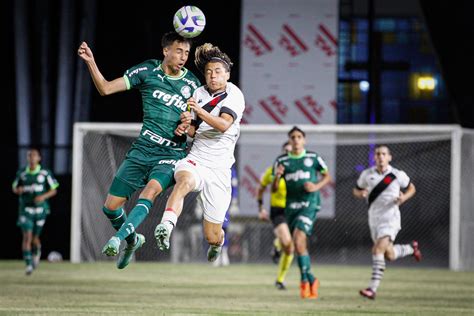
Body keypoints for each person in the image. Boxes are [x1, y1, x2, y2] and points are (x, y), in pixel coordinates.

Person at [77, 31, 201, 269]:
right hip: (142, 149)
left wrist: (188, 124)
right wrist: (91, 62)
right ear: (166, 51)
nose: (183, 56)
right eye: (178, 51)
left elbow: (196, 128)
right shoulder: (147, 71)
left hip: (170, 154)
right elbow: (105, 89)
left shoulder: (192, 84)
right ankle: (133, 241)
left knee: (151, 192)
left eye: (186, 52)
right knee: (110, 207)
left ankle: (118, 239)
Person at [154, 43, 245, 265]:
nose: (212, 76)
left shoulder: (234, 94)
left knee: (212, 236)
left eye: (218, 72)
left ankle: (218, 243)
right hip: (197, 159)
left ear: (227, 74)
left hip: (220, 169)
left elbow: (223, 125)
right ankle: (166, 225)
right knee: (183, 181)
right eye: (208, 72)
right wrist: (185, 125)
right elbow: (194, 131)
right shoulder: (198, 93)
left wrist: (199, 111)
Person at [353, 144, 421, 300]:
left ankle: (372, 289)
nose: (380, 157)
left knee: (377, 250)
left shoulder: (397, 175)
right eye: (377, 154)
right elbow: (356, 190)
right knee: (389, 255)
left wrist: (404, 197)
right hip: (373, 220)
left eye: (383, 154)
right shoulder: (366, 174)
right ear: (374, 157)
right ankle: (411, 248)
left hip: (390, 219)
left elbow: (412, 188)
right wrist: (360, 193)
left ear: (389, 157)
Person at [272, 126, 332, 299]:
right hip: (291, 207)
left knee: (298, 238)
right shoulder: (282, 161)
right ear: (289, 141)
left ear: (304, 140)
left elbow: (327, 176)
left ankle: (304, 282)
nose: (296, 140)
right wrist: (277, 176)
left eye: (299, 136)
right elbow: (275, 189)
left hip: (310, 204)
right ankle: (311, 278)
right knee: (298, 246)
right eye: (293, 137)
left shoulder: (313, 158)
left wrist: (316, 186)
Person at [12, 148, 59, 275]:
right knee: (27, 236)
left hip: (40, 210)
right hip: (25, 210)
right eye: (29, 156)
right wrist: (19, 190)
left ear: (38, 158)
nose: (31, 158)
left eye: (34, 156)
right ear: (27, 158)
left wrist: (43, 197)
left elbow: (54, 189)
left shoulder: (45, 173)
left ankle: (37, 251)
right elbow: (14, 187)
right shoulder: (21, 173)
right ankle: (28, 266)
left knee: (34, 238)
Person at [257, 141, 294, 290]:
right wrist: (261, 208)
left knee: (290, 247)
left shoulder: (299, 173)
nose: (288, 154)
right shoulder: (271, 172)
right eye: (286, 151)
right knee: (287, 241)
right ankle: (278, 245)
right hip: (278, 211)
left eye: (291, 152)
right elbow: (261, 189)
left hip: (295, 210)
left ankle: (280, 279)